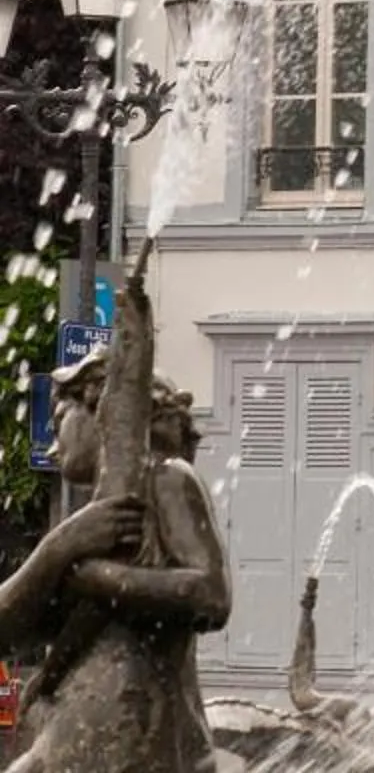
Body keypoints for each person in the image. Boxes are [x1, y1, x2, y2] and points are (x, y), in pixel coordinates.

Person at [0, 327, 230, 771]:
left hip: (139, 737)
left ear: (100, 409)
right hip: (81, 738)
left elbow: (210, 595)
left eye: (60, 419)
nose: (53, 443)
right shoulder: (87, 528)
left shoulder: (168, 479)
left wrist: (98, 577)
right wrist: (58, 550)